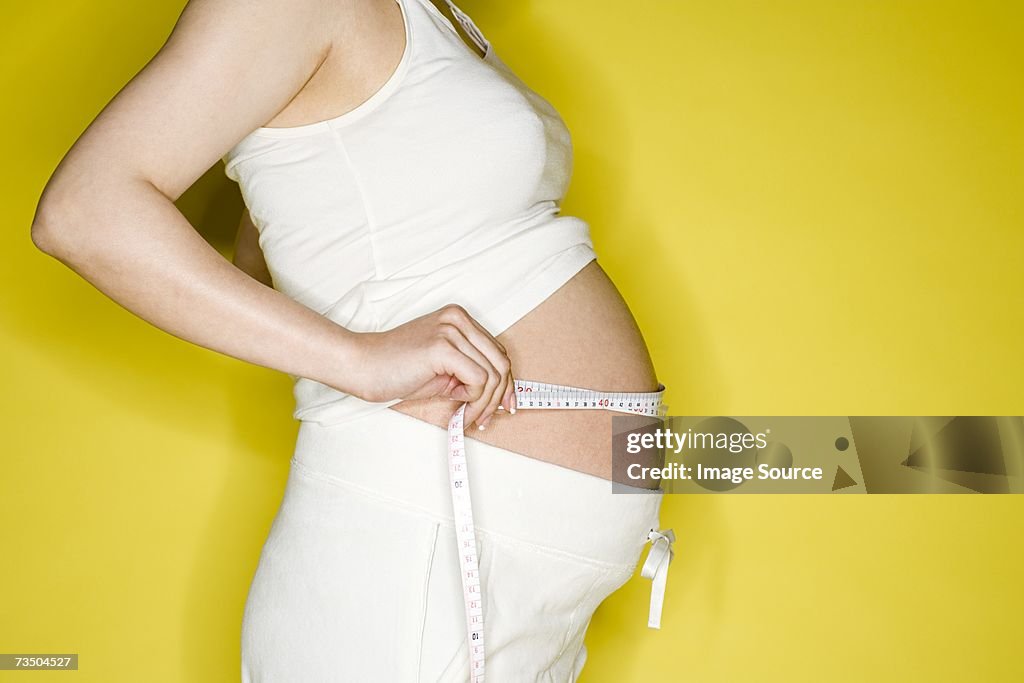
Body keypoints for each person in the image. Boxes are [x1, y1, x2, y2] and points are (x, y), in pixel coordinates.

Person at [31, 0, 672, 680]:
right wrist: (357, 360)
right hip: (412, 551)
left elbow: (277, 246)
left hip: (504, 571)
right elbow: (83, 211)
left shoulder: (437, 12)